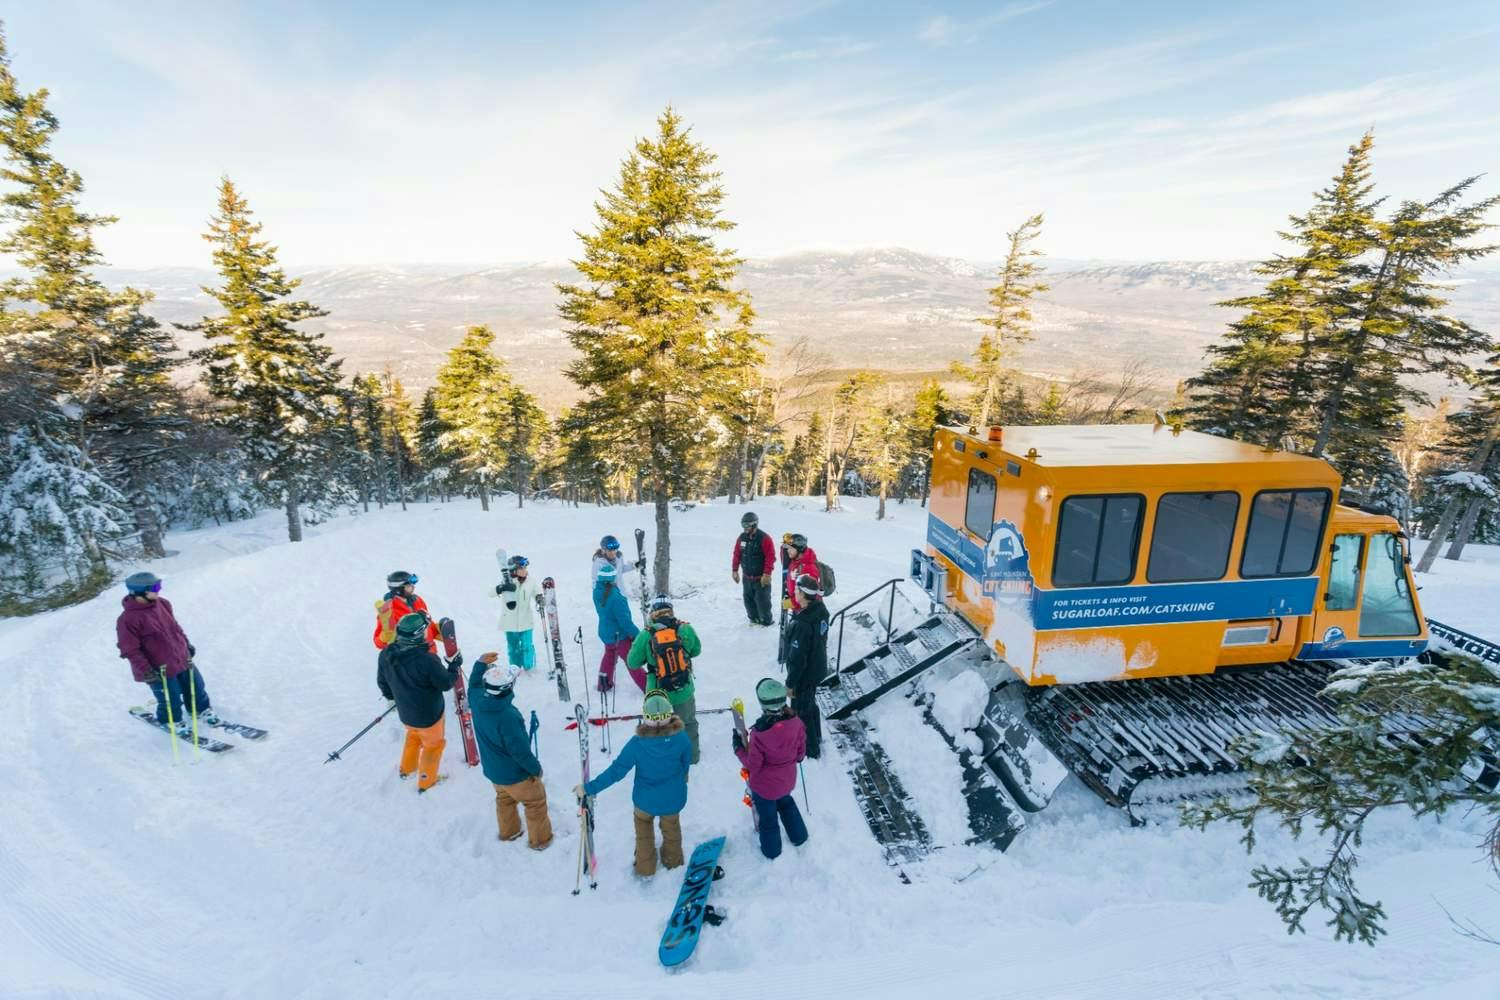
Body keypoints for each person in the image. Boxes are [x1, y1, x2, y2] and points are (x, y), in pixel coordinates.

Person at [574, 693, 690, 877]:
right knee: (672, 830)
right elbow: (685, 764)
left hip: (644, 801)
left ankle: (645, 867)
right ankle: (673, 862)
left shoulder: (638, 744)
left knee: (643, 831)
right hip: (673, 798)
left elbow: (616, 771)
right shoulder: (682, 738)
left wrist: (589, 788)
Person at [116, 572, 219, 734]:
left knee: (196, 687)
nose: (159, 590)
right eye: (155, 588)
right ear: (138, 592)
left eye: (159, 586)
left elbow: (175, 627)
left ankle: (201, 710)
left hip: (181, 658)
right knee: (170, 699)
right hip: (158, 668)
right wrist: (146, 670)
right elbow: (130, 649)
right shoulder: (127, 620)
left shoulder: (163, 604)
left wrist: (186, 643)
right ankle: (171, 721)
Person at [470, 657, 553, 850]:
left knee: (504, 799)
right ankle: (541, 840)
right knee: (535, 803)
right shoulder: (508, 716)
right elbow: (520, 752)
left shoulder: (476, 700)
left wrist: (479, 664)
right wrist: (535, 769)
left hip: (494, 772)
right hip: (516, 775)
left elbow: (473, 684)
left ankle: (509, 832)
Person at [377, 612, 462, 792]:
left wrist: (395, 698)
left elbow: (383, 683)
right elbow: (445, 683)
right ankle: (426, 781)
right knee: (433, 746)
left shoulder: (386, 654)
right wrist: (454, 666)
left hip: (406, 713)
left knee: (413, 737)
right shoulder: (427, 660)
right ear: (418, 636)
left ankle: (406, 769)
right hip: (429, 716)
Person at [733, 677, 809, 859]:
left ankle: (772, 850)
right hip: (787, 780)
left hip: (765, 787)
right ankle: (799, 836)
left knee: (767, 818)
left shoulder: (760, 734)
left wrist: (738, 748)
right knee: (786, 802)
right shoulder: (796, 722)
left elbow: (753, 765)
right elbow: (800, 755)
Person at [626, 595, 704, 764]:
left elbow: (632, 663)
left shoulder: (646, 635)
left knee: (658, 729)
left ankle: (663, 761)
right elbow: (697, 650)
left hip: (657, 694)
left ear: (653, 612)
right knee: (688, 724)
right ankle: (691, 757)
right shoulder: (684, 629)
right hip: (684, 688)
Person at [783, 573, 829, 760]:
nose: (794, 591)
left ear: (803, 594)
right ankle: (816, 737)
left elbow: (797, 658)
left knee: (801, 710)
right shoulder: (820, 610)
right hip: (817, 668)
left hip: (805, 674)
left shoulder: (803, 624)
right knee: (810, 704)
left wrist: (790, 683)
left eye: (796, 589)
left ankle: (810, 749)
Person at [593, 563, 644, 693]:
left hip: (606, 633)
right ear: (612, 579)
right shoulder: (616, 598)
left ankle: (603, 684)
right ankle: (647, 687)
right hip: (619, 636)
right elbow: (625, 621)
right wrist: (637, 635)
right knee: (632, 661)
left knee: (609, 656)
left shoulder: (597, 591)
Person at [494, 554, 542, 670]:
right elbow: (491, 593)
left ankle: (529, 668)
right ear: (514, 570)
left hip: (526, 621)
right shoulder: (506, 582)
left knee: (527, 646)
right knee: (513, 647)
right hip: (509, 622)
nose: (526, 570)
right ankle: (515, 668)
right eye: (522, 568)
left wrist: (539, 598)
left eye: (526, 568)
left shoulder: (531, 581)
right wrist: (499, 588)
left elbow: (537, 591)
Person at [374, 570, 440, 652]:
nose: (413, 588)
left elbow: (424, 626)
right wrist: (384, 637)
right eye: (409, 586)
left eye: (412, 585)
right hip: (409, 657)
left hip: (430, 652)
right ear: (398, 589)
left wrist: (437, 631)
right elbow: (377, 643)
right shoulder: (388, 610)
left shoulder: (417, 600)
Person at [731, 511, 776, 627]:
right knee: (748, 601)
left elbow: (771, 557)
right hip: (747, 578)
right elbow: (737, 554)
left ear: (754, 525)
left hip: (760, 578)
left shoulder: (764, 539)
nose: (744, 528)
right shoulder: (742, 538)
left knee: (763, 602)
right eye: (743, 526)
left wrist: (767, 574)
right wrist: (734, 570)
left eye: (747, 526)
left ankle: (766, 622)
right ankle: (753, 620)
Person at [781, 534, 821, 615]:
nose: (788, 550)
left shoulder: (808, 569)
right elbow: (784, 561)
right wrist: (783, 547)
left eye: (791, 548)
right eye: (788, 548)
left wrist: (789, 603)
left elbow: (807, 597)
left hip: (805, 611)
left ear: (799, 549)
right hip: (796, 605)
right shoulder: (795, 560)